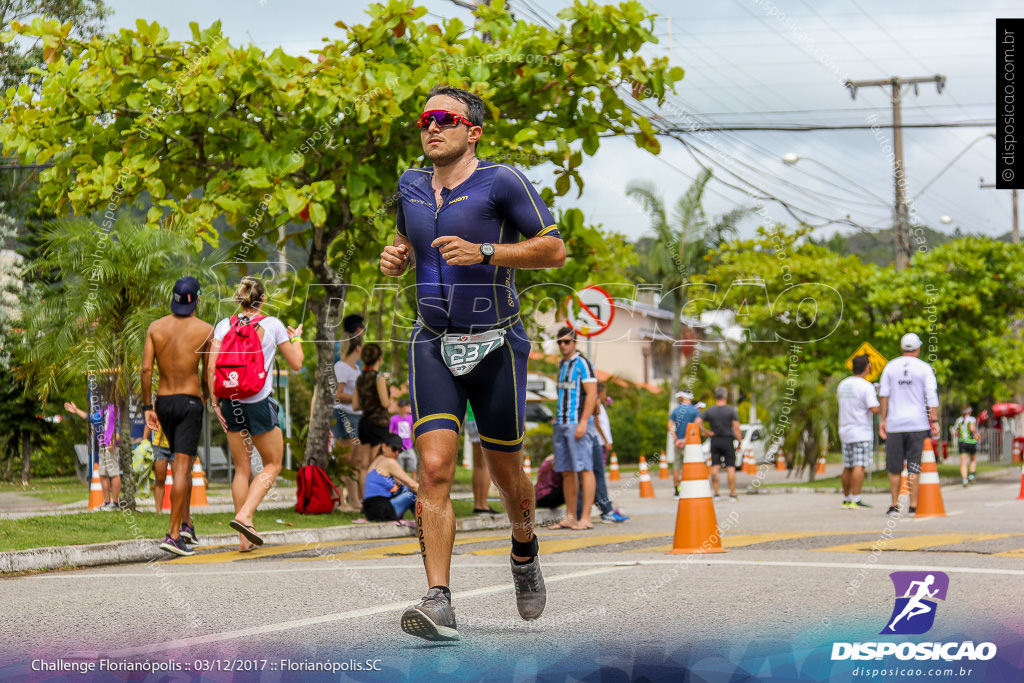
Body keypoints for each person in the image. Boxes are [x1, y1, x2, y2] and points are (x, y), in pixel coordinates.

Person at [379, 84, 565, 641]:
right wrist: (395, 257)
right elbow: (405, 242)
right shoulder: (409, 185)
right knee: (434, 468)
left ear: (473, 131)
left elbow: (553, 249)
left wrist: (486, 251)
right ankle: (438, 599)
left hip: (497, 343)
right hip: (431, 340)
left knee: (510, 479)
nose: (432, 127)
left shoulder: (502, 181)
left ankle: (524, 546)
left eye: (446, 119)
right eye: (425, 119)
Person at [209, 276, 304, 551]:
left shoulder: (224, 325)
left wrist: (215, 402)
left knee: (242, 468)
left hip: (229, 400)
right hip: (259, 401)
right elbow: (296, 363)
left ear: (239, 300)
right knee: (273, 463)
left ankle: (244, 538)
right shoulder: (272, 324)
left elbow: (211, 366)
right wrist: (296, 337)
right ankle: (246, 515)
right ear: (262, 299)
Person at [140, 276, 213, 556]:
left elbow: (147, 371)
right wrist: (208, 398)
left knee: (182, 463)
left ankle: (185, 524)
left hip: (164, 402)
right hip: (190, 402)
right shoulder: (205, 330)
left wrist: (149, 407)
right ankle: (173, 535)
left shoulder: (155, 328)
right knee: (182, 468)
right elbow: (207, 373)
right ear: (197, 299)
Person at [878, 332, 940, 516]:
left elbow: (884, 395)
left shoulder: (890, 367)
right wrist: (934, 420)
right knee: (914, 466)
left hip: (895, 424)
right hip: (918, 424)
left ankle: (894, 505)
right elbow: (932, 397)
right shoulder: (924, 368)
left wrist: (883, 420)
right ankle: (913, 506)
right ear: (918, 349)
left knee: (894, 466)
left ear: (902, 347)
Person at [549, 327, 598, 531]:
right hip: (561, 423)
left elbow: (592, 395)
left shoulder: (583, 363)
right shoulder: (562, 364)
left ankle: (586, 517)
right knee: (567, 471)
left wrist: (584, 422)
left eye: (566, 342)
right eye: (559, 342)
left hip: (577, 423)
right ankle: (570, 517)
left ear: (575, 343)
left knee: (585, 469)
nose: (563, 345)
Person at [836, 354, 879, 509]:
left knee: (848, 465)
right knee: (859, 465)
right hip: (861, 430)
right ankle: (856, 497)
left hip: (845, 429)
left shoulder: (843, 384)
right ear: (867, 368)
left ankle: (846, 498)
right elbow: (874, 409)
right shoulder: (865, 386)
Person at [64, 398, 121, 510]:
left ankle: (115, 503)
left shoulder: (118, 407)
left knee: (114, 473)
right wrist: (76, 410)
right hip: (102, 445)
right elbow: (91, 418)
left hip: (111, 446)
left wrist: (113, 442)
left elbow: (120, 427)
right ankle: (107, 502)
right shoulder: (106, 408)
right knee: (103, 473)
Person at [352, 343, 392, 493]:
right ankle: (373, 497)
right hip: (378, 423)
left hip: (364, 423)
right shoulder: (379, 378)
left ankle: (364, 501)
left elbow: (355, 405)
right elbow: (385, 403)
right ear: (379, 358)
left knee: (363, 465)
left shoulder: (360, 379)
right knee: (375, 463)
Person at [333, 337, 363, 511]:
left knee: (355, 462)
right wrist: (361, 399)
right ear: (357, 348)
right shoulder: (341, 367)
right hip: (345, 416)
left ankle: (354, 501)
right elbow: (337, 394)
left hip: (357, 416)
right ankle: (339, 500)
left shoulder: (356, 368)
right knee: (344, 462)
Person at [590, 382, 627, 523]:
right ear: (600, 392)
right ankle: (606, 509)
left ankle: (606, 507)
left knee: (598, 475)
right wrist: (606, 440)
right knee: (599, 476)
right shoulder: (596, 402)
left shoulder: (600, 403)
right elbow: (597, 422)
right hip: (599, 443)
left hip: (600, 443)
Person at [362, 434, 419, 525]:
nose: (396, 453)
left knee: (406, 489)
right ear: (384, 446)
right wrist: (433, 496)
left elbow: (402, 483)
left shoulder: (377, 460)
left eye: (400, 450)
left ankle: (422, 522)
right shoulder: (389, 462)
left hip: (370, 511)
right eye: (394, 449)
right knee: (413, 492)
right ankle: (425, 524)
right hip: (381, 511)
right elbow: (412, 484)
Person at [700, 387, 741, 501]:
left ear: (715, 397)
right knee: (730, 467)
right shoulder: (731, 410)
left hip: (715, 440)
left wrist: (706, 432)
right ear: (726, 397)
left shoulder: (710, 411)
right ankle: (732, 494)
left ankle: (716, 493)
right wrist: (740, 441)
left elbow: (698, 422)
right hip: (728, 440)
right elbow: (736, 427)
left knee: (715, 467)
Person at [668, 389, 702, 499]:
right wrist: (686, 439)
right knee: (689, 466)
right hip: (690, 444)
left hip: (678, 443)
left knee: (677, 466)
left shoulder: (676, 411)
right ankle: (689, 488)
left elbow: (670, 426)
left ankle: (676, 490)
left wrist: (676, 439)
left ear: (682, 397)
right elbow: (696, 427)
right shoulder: (695, 411)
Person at [464, 403, 496, 514]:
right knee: (486, 465)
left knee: (478, 465)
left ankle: (478, 504)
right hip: (484, 419)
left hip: (471, 420)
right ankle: (483, 505)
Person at [390, 397, 418, 480]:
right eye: (400, 407)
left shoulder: (410, 418)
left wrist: (415, 441)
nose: (402, 408)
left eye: (404, 406)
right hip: (398, 448)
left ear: (407, 407)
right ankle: (399, 487)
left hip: (409, 447)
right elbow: (390, 432)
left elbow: (413, 431)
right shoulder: (394, 419)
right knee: (399, 469)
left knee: (413, 466)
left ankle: (415, 486)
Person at [953, 404, 979, 487]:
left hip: (962, 442)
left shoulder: (958, 420)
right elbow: (972, 429)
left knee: (963, 462)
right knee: (973, 459)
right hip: (971, 442)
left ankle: (964, 479)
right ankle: (971, 475)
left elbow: (956, 433)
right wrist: (976, 434)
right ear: (969, 411)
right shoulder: (971, 419)